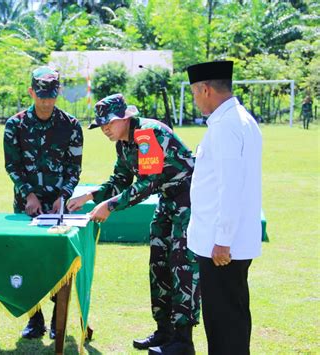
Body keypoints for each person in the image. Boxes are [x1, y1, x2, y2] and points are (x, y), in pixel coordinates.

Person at [67, 94, 200, 355]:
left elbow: (147, 184)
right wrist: (90, 196)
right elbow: (120, 180)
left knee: (182, 266)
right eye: (102, 124)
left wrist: (110, 206)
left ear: (125, 118)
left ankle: (183, 342)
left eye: (109, 122)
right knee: (159, 264)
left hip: (188, 201)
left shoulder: (147, 134)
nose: (105, 128)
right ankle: (164, 332)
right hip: (167, 201)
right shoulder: (124, 143)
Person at [186, 60, 263, 355]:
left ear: (205, 89)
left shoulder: (226, 126)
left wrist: (223, 240)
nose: (195, 100)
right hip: (227, 241)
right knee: (233, 316)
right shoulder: (241, 120)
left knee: (223, 321)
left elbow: (230, 188)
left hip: (221, 246)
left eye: (195, 93)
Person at [3, 66, 84, 340]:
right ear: (31, 92)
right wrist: (28, 194)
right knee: (26, 261)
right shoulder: (15, 125)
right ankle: (34, 319)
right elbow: (12, 165)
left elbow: (74, 168)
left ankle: (55, 319)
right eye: (40, 96)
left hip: (56, 208)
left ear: (58, 92)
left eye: (50, 96)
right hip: (27, 205)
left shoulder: (71, 126)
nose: (46, 102)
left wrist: (63, 196)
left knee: (56, 262)